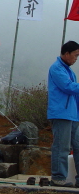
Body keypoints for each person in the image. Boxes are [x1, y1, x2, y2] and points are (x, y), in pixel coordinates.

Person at [47, 41, 79, 187]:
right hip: (61, 114)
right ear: (66, 54)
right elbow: (68, 87)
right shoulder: (56, 68)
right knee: (62, 146)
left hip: (73, 115)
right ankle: (58, 178)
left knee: (77, 145)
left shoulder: (69, 71)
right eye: (75, 55)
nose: (76, 58)